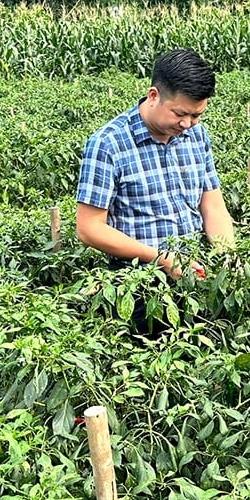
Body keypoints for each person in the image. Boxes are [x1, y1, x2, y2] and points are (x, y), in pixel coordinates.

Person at [74, 48, 235, 335]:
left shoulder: (197, 136)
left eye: (196, 115)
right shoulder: (108, 144)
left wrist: (226, 256)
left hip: (196, 274)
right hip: (138, 285)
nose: (187, 124)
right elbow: (89, 228)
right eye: (180, 113)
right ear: (153, 96)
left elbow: (212, 206)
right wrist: (162, 258)